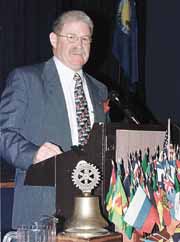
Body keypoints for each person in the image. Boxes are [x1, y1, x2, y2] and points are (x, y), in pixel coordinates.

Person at [0, 10, 108, 229]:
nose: (79, 44)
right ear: (53, 39)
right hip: (43, 210)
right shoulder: (26, 80)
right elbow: (3, 133)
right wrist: (33, 154)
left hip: (95, 212)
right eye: (72, 37)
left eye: (85, 38)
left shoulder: (100, 90)